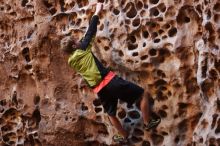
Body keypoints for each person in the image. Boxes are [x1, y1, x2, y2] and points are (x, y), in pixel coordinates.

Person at [60, 3, 161, 143]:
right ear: (73, 46)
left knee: (111, 114)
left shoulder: (72, 61)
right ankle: (147, 122)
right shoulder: (83, 49)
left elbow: (83, 41)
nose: (78, 40)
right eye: (76, 41)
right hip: (111, 81)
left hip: (100, 90)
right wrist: (97, 11)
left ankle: (124, 136)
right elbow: (91, 31)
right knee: (142, 94)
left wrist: (81, 42)